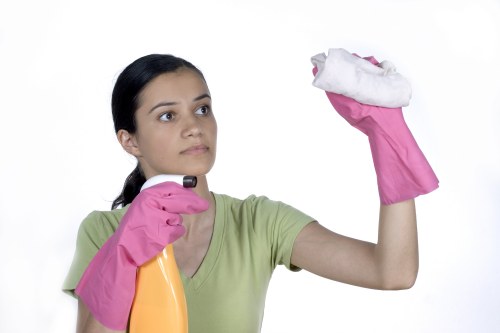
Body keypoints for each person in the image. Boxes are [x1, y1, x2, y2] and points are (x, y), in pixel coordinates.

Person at [63, 53, 438, 333]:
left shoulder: (258, 224)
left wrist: (386, 138)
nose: (194, 127)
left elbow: (393, 272)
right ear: (129, 141)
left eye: (202, 108)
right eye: (167, 115)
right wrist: (123, 254)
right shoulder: (104, 232)